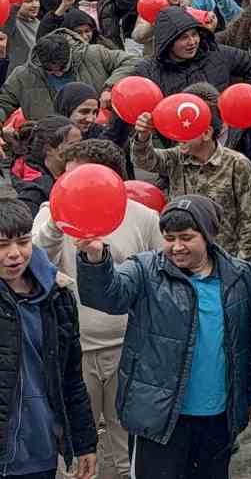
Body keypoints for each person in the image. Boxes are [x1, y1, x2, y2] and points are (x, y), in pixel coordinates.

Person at [76, 195, 251, 479]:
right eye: (169, 238)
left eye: (187, 237)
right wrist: (95, 259)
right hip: (159, 419)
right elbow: (108, 298)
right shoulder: (146, 269)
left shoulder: (243, 277)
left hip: (219, 417)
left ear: (208, 236)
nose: (176, 247)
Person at [30, 138, 162, 479]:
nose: (73, 188)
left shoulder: (145, 218)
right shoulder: (50, 215)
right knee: (77, 446)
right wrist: (57, 222)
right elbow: (32, 262)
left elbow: (161, 277)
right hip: (73, 349)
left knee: (125, 441)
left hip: (129, 347)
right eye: (67, 180)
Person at [0, 198, 99, 479]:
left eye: (22, 241)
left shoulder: (58, 297)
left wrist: (84, 442)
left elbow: (71, 378)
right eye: (2, 245)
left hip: (40, 451)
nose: (14, 254)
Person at [131, 106, 251, 262]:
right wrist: (143, 135)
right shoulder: (176, 157)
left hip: (224, 260)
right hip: (182, 259)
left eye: (186, 130)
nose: (179, 137)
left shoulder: (236, 164)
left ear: (207, 133)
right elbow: (143, 160)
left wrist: (241, 266)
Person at [0, 27, 139, 122]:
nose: (58, 74)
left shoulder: (94, 54)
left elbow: (132, 61)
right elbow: (4, 103)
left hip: (97, 133)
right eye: (51, 71)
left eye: (62, 69)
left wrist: (110, 87)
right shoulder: (23, 75)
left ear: (70, 57)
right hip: (50, 143)